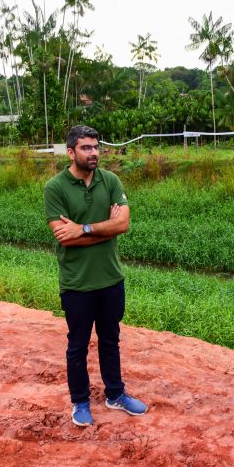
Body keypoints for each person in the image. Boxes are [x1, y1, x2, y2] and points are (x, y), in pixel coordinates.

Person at [43, 124, 148, 426]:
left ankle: (115, 394)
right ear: (71, 151)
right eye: (86, 148)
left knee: (110, 340)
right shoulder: (55, 188)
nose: (93, 153)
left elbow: (123, 225)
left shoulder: (110, 180)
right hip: (77, 283)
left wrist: (84, 227)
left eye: (96, 147)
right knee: (77, 346)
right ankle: (80, 402)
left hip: (111, 279)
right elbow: (65, 238)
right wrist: (105, 226)